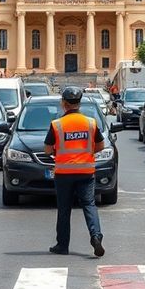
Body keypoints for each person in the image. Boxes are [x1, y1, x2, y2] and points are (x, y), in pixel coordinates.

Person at [44, 86, 106, 257]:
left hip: (64, 174)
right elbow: (101, 145)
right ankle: (96, 237)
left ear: (64, 103)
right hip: (86, 171)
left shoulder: (57, 124)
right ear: (79, 104)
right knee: (89, 205)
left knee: (64, 209)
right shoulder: (90, 122)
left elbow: (48, 150)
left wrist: (58, 151)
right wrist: (86, 153)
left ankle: (62, 246)